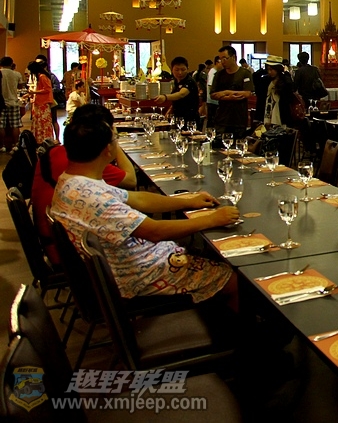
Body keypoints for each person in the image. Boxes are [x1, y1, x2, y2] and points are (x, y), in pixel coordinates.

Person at [50, 111, 239, 307]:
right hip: (139, 276)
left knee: (211, 254)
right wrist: (212, 219)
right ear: (107, 149)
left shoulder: (73, 181)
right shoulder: (92, 197)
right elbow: (155, 231)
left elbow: (139, 198)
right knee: (233, 279)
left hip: (130, 264)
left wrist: (188, 201)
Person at [31, 104, 137, 265]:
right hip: (70, 254)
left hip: (54, 239)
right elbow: (131, 181)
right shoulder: (84, 162)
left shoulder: (58, 152)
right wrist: (113, 143)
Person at [210, 45, 253, 138]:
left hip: (239, 119)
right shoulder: (219, 75)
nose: (222, 61)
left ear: (233, 57)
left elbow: (247, 93)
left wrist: (225, 92)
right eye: (220, 59)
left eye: (225, 58)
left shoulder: (245, 73)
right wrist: (229, 97)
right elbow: (213, 94)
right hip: (222, 118)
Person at [154, 56, 200, 125]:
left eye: (183, 70)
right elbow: (177, 100)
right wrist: (170, 110)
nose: (180, 73)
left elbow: (181, 94)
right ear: (172, 70)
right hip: (178, 117)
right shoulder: (176, 81)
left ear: (187, 69)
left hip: (190, 119)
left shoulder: (189, 81)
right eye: (177, 70)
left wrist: (165, 97)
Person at [25, 59, 55, 143]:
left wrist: (34, 92)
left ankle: (43, 139)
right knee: (39, 122)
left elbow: (47, 89)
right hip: (38, 102)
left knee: (43, 122)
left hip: (43, 103)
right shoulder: (39, 76)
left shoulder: (42, 77)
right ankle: (39, 139)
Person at [263, 55, 295, 127]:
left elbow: (289, 96)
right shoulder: (266, 80)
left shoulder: (285, 80)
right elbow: (256, 77)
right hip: (268, 110)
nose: (269, 72)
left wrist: (286, 73)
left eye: (272, 69)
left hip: (281, 113)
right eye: (268, 69)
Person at [1, 56, 23, 152]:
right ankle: (15, 145)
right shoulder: (16, 74)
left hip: (1, 102)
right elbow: (20, 86)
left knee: (1, 125)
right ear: (11, 64)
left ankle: (2, 146)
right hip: (13, 101)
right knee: (15, 125)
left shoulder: (0, 73)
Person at [205, 56, 221, 127]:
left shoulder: (217, 72)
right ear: (217, 62)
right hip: (212, 101)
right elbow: (211, 86)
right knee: (212, 122)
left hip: (215, 101)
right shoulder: (213, 72)